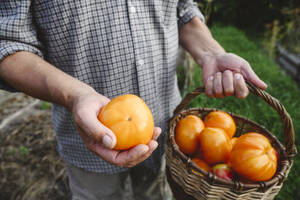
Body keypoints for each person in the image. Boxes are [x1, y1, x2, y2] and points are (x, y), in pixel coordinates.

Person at [0, 1, 267, 200]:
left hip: (167, 129)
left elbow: (183, 9)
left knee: (156, 193)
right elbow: (7, 44)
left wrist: (210, 54)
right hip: (87, 136)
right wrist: (76, 95)